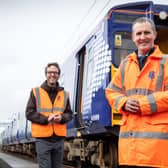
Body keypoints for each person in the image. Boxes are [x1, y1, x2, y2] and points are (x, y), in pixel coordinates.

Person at [105, 17, 168, 168]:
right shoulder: (126, 64)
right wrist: (124, 102)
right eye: (138, 33)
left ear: (154, 35)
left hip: (156, 153)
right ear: (133, 38)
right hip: (129, 151)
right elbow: (111, 91)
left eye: (147, 33)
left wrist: (143, 104)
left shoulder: (165, 62)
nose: (142, 37)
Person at [26, 62, 72, 168]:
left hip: (59, 139)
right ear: (46, 74)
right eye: (50, 72)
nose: (52, 75)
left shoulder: (65, 94)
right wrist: (46, 119)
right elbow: (29, 113)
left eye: (55, 73)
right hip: (43, 139)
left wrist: (62, 118)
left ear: (58, 75)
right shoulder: (35, 92)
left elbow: (69, 114)